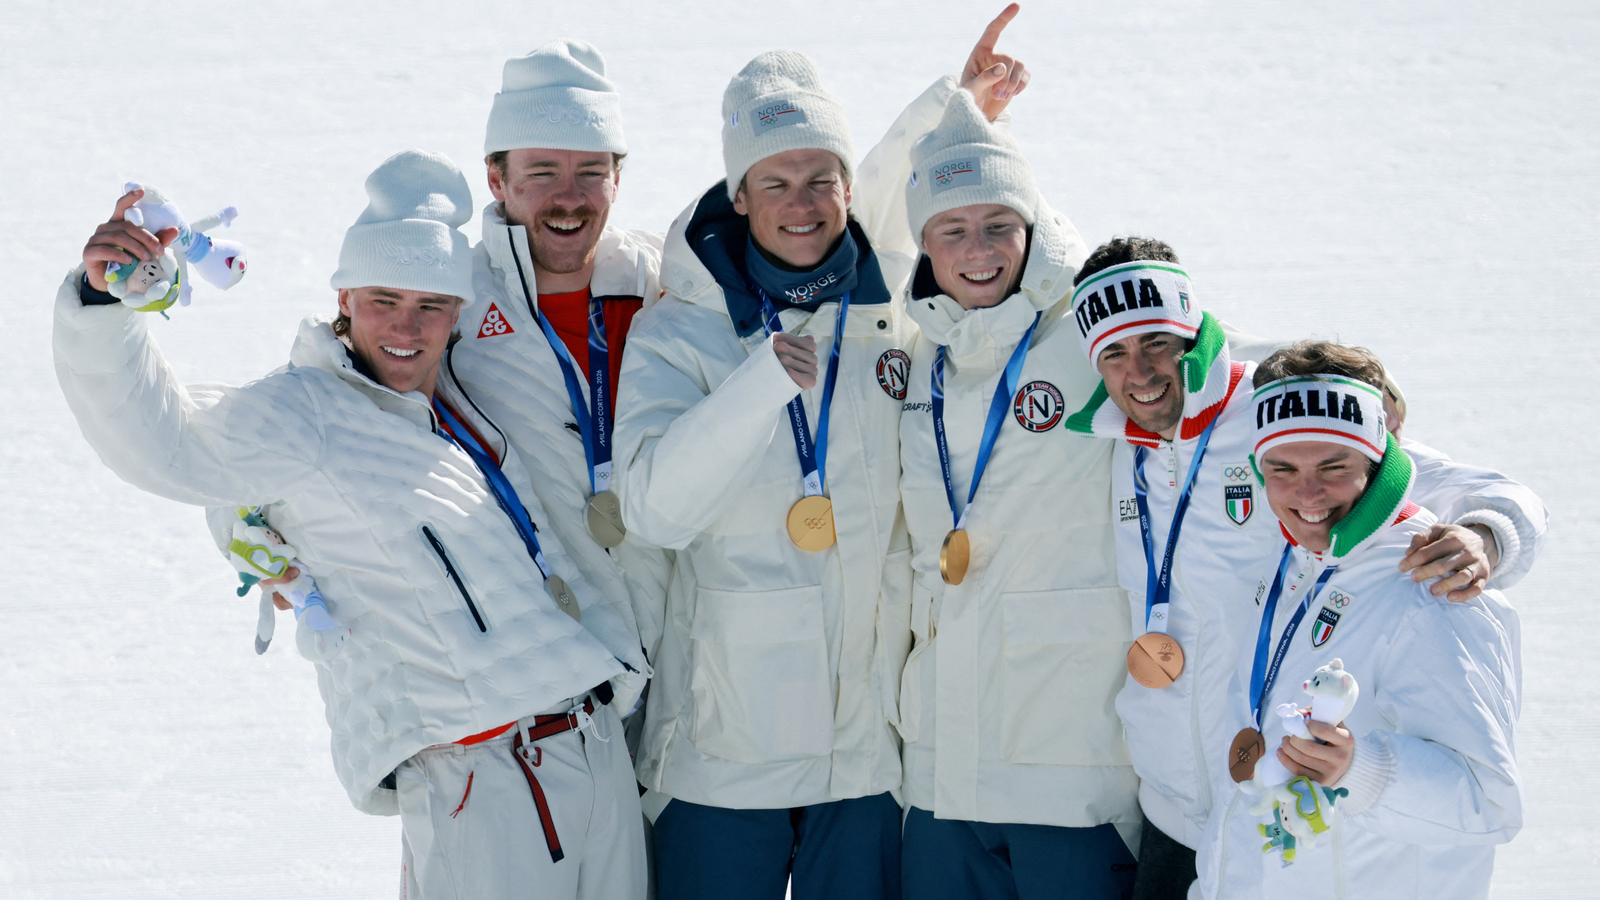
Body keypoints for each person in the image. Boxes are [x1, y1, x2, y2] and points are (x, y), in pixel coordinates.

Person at [56, 150, 648, 900]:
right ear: (344, 296)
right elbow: (164, 444)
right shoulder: (307, 411)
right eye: (383, 299)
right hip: (485, 779)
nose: (406, 325)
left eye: (431, 304)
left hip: (593, 747)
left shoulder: (460, 400)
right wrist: (103, 304)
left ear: (458, 314)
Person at [609, 14, 1029, 898]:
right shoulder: (681, 329)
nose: (801, 204)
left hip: (865, 757)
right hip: (722, 756)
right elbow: (653, 509)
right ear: (740, 195)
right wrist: (756, 388)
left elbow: (899, 199)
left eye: (820, 180)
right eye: (776, 182)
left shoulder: (888, 311)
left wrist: (958, 109)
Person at [1060, 239, 1544, 899]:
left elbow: (1443, 484)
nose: (1140, 372)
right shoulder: (1122, 443)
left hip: (1299, 810)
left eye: (1158, 343)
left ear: (1192, 334)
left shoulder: (1280, 417)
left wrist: (1485, 535)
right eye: (1113, 353)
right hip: (1189, 807)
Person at [884, 84, 1141, 898]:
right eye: (952, 230)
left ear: (1033, 227)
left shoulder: (1093, 330)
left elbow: (1259, 397)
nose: (979, 249)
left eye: (1000, 225)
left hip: (1071, 766)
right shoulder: (916, 353)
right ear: (924, 242)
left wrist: (1475, 515)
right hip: (941, 770)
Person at [1192, 341, 1521, 899]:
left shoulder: (1434, 589)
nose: (1308, 493)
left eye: (1334, 467)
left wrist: (1361, 770)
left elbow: (1488, 803)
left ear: (1374, 461)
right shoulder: (1293, 557)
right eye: (1282, 468)